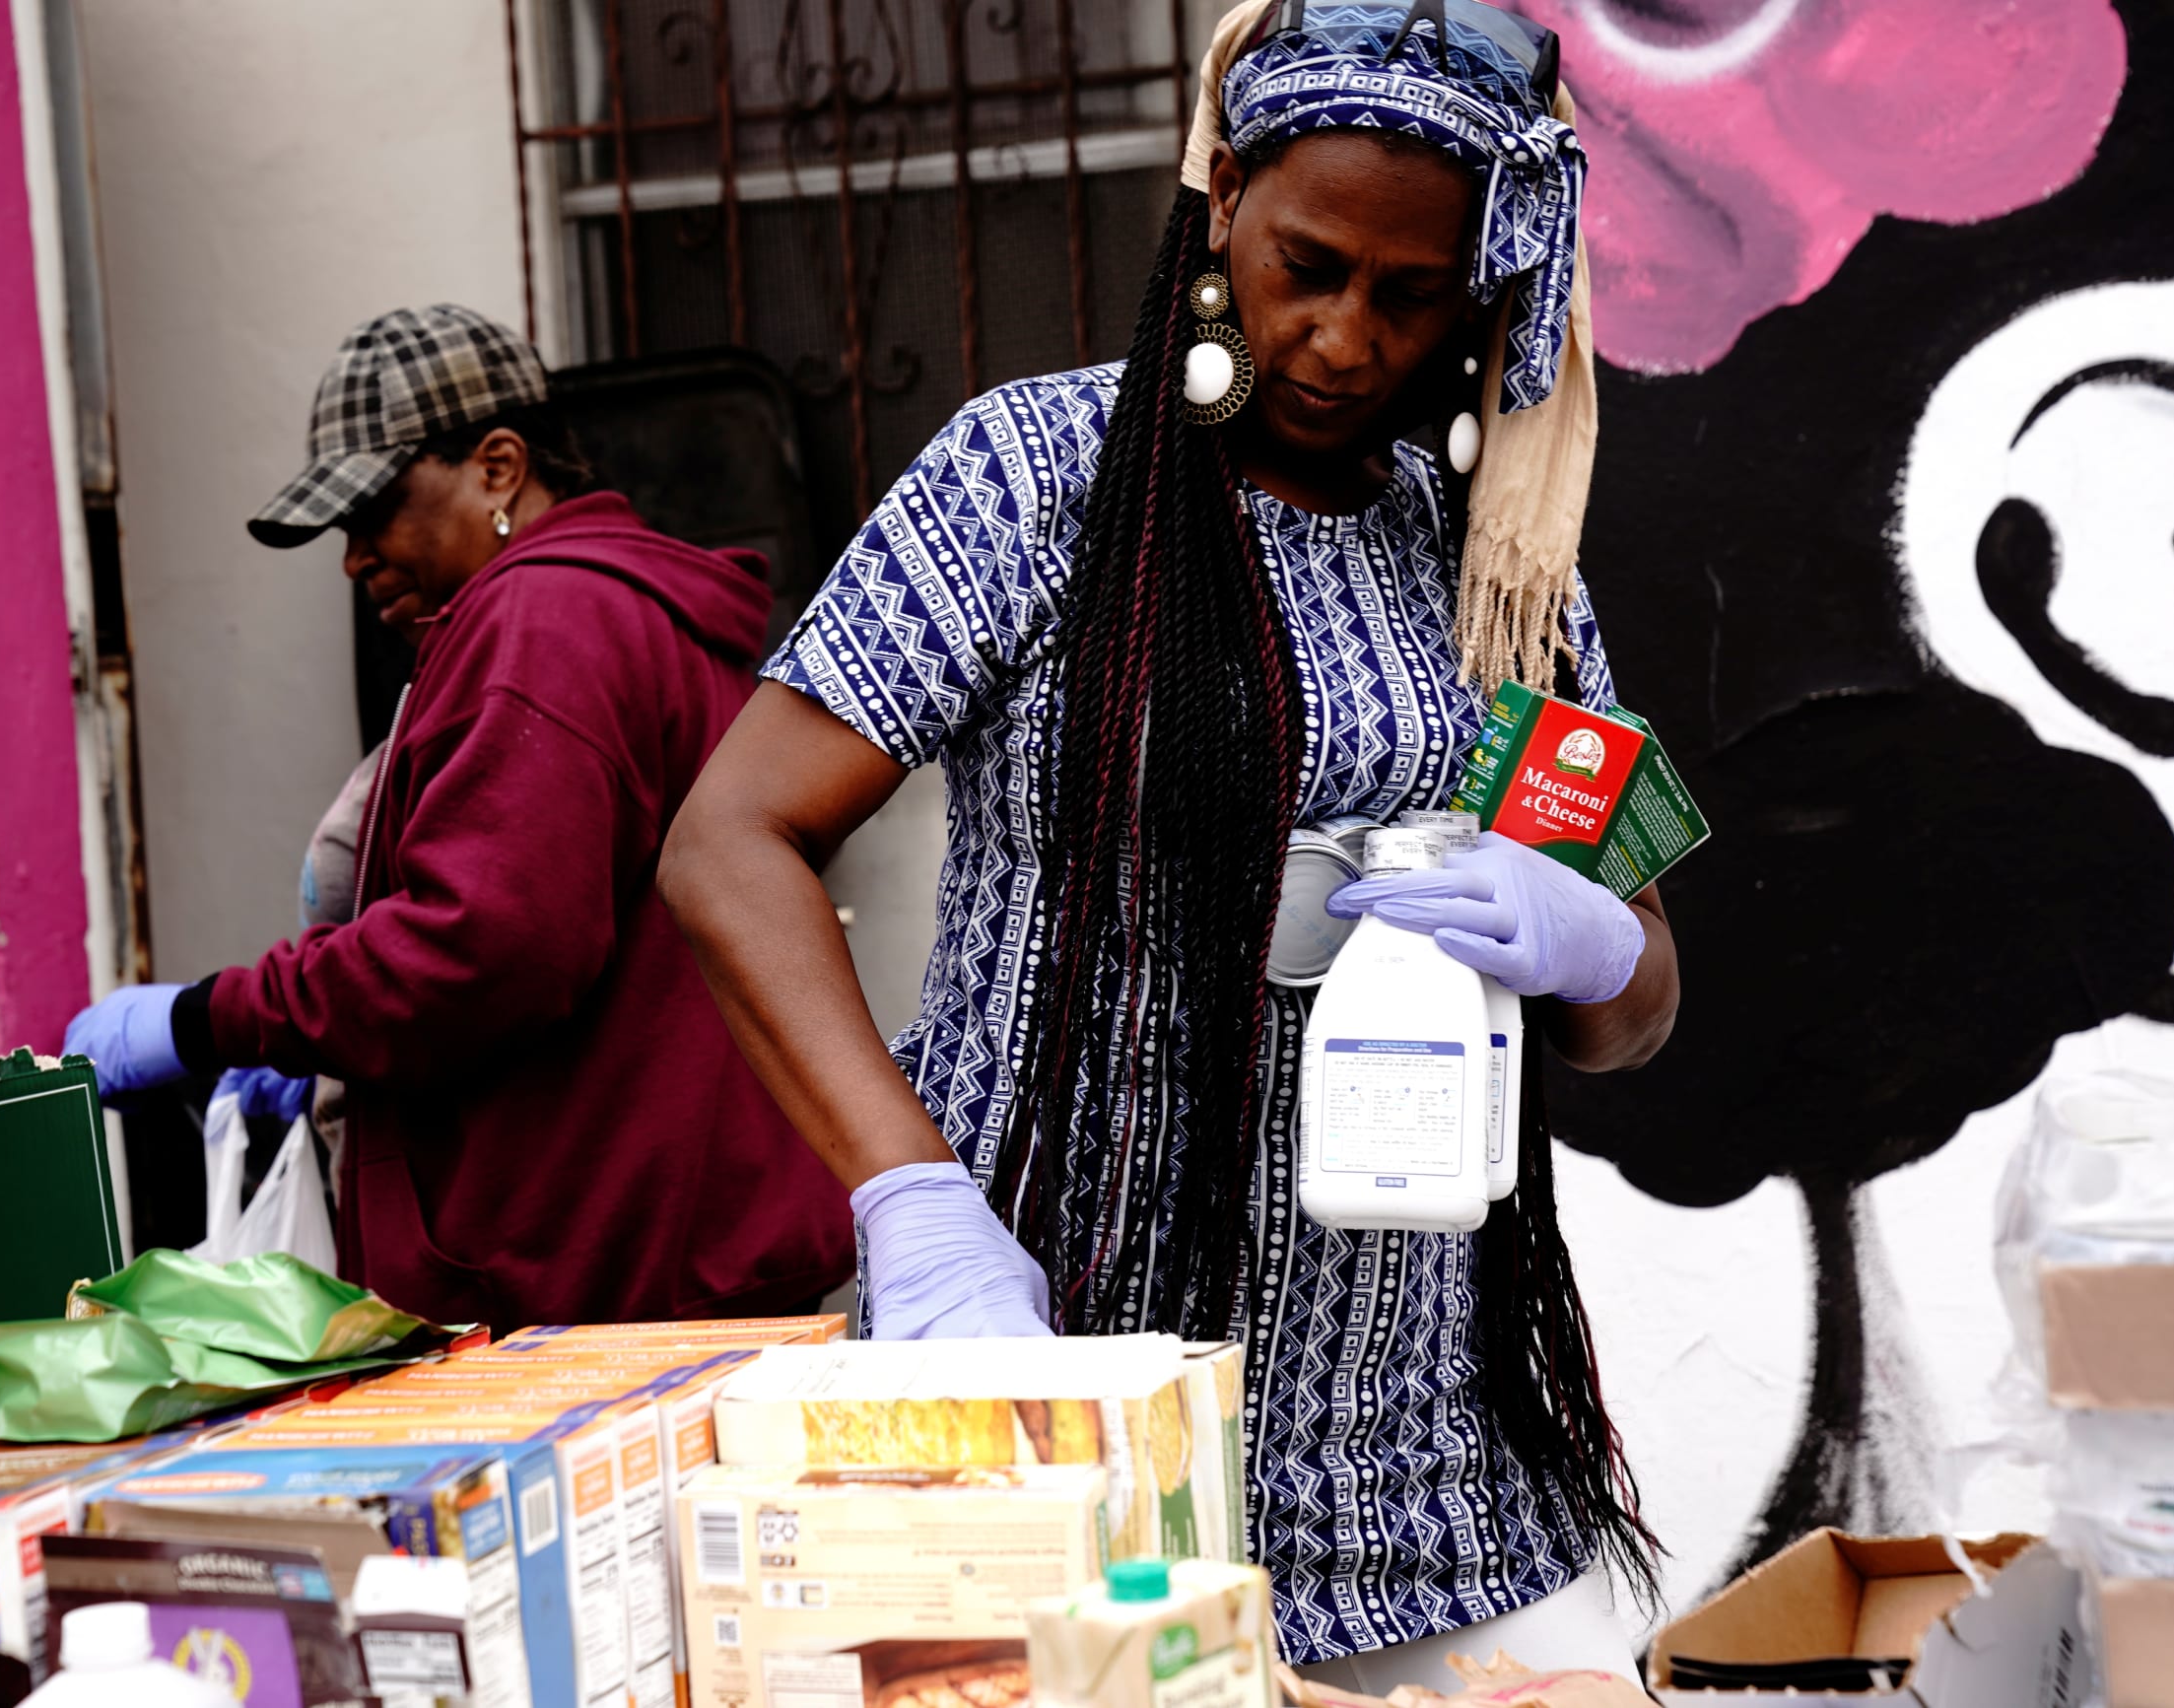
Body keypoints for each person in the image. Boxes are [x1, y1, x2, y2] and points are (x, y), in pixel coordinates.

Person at [659, 0, 1677, 1686]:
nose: (1346, 337)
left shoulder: (1507, 572)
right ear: (1222, 214)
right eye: (1310, 266)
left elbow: (1640, 1001)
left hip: (1420, 1475)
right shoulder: (1033, 480)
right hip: (1056, 1407)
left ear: (1478, 299)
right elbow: (729, 839)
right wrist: (912, 1199)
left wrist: (1592, 937)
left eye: (1409, 296)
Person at [67, 304, 852, 1328]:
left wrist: (208, 1018)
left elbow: (480, 947)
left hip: (601, 1288)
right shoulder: (627, 606)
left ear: (497, 465)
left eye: (375, 510)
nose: (353, 558)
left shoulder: (544, 618)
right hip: (673, 1256)